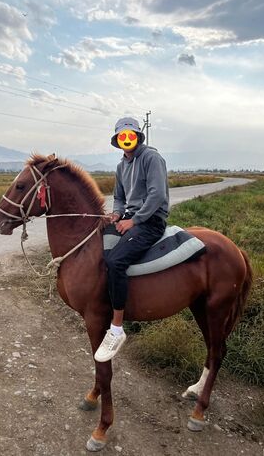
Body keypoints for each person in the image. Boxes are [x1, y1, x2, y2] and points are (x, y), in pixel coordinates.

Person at [94, 117, 169, 362]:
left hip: (151, 220)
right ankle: (106, 302)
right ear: (118, 141)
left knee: (116, 261)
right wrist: (116, 214)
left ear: (137, 135)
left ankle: (116, 328)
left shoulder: (151, 158)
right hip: (130, 217)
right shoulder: (121, 166)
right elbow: (119, 197)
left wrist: (133, 221)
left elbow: (157, 195)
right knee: (96, 247)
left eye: (130, 135)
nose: (126, 139)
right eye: (121, 136)